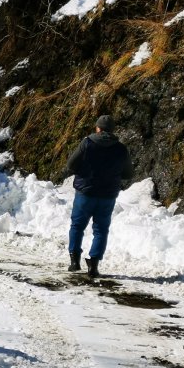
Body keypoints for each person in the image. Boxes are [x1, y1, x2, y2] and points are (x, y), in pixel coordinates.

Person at [65, 115, 134, 278]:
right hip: (107, 195)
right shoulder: (121, 149)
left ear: (98, 128)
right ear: (112, 130)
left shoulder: (87, 142)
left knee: (77, 225)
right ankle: (93, 265)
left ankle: (74, 261)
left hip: (85, 193)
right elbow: (128, 174)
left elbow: (70, 164)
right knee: (101, 230)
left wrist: (84, 172)